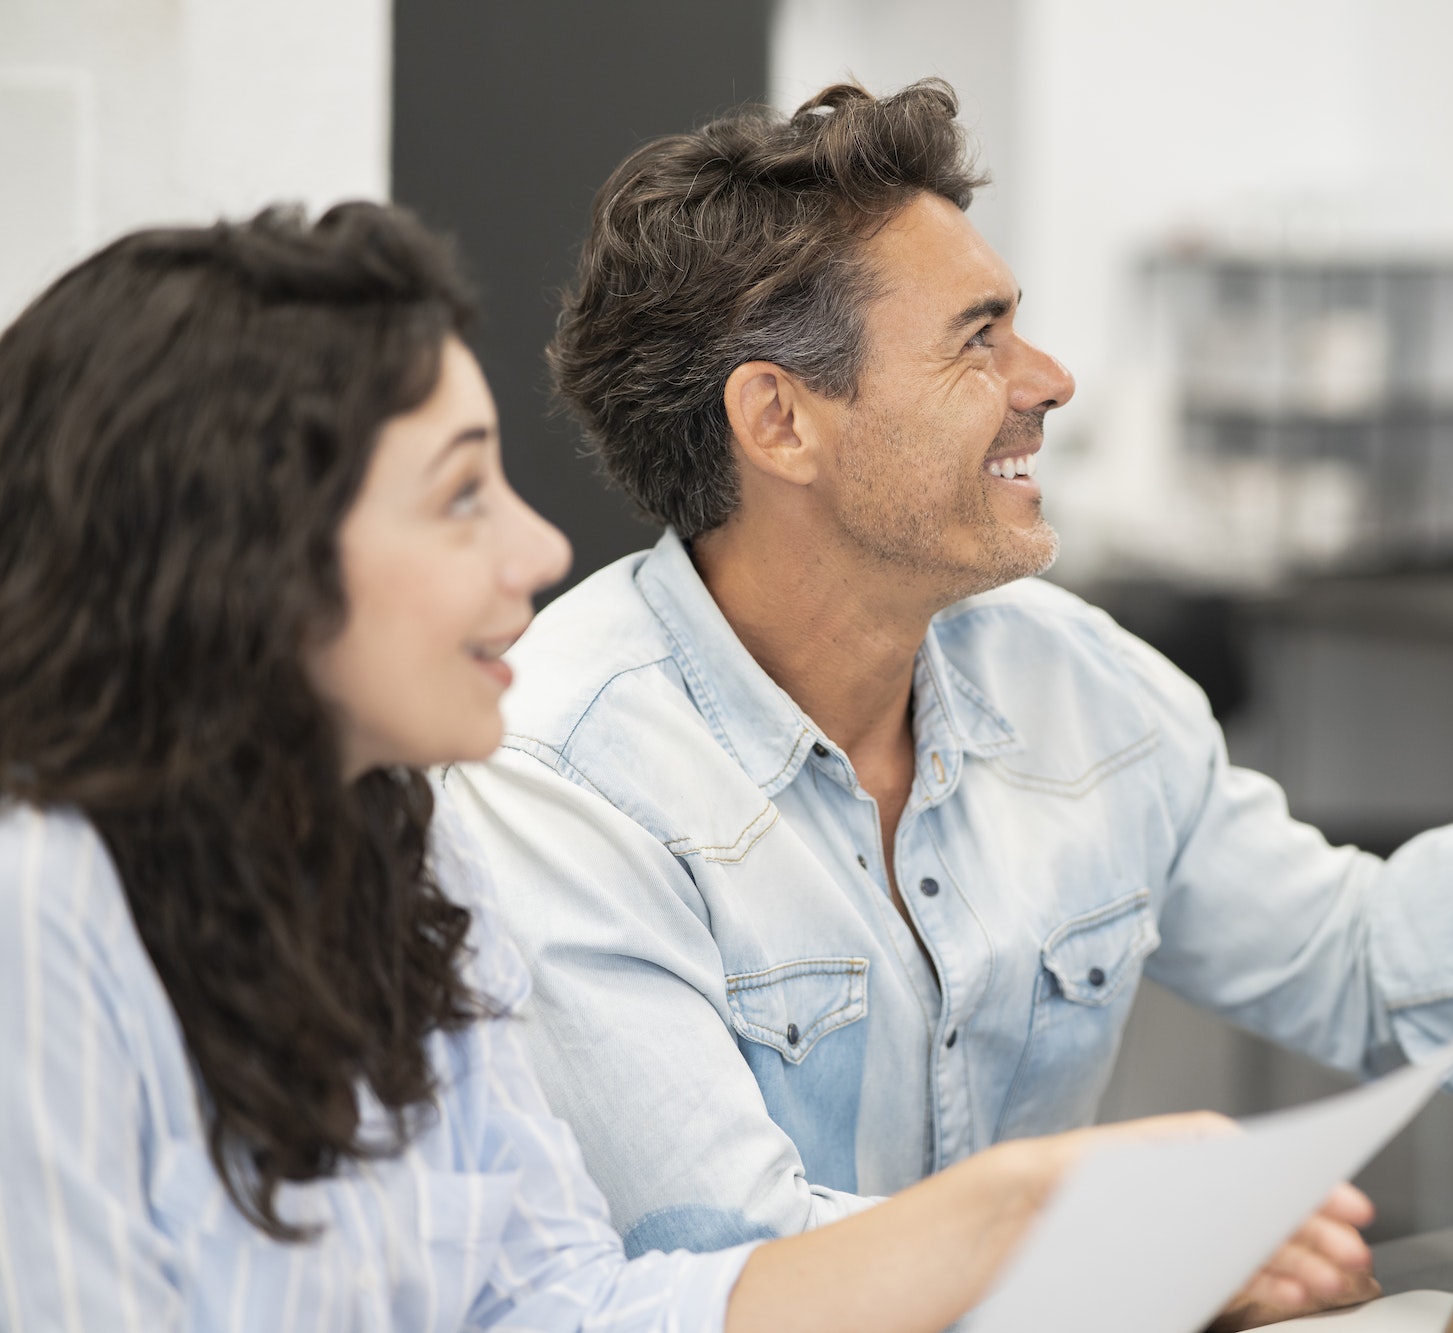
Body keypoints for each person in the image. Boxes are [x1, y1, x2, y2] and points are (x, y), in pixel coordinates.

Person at [445, 79, 1453, 1322]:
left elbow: (1378, 979)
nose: (1050, 378)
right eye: (977, 338)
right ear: (780, 420)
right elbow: (732, 1271)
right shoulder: (562, 778)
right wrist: (1142, 1257)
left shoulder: (1072, 679)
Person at [0, 202, 1256, 1333]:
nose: (539, 544)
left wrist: (1018, 1214)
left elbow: (560, 1303)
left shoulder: (402, 851)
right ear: (239, 562)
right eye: (456, 499)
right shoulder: (40, 912)